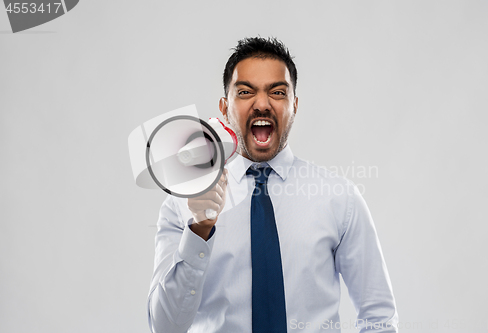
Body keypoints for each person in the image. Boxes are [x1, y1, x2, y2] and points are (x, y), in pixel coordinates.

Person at [147, 37, 398, 333]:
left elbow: (378, 315)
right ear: (224, 107)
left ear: (294, 105)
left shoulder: (339, 198)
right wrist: (199, 230)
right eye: (245, 92)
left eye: (277, 92)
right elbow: (164, 327)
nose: (262, 104)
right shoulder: (181, 204)